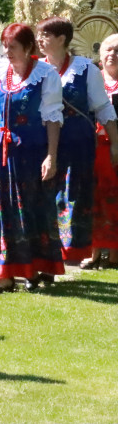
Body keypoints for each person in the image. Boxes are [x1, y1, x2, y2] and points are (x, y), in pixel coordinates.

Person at [0, 23, 63, 293]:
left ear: (27, 48)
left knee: (30, 208)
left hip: (30, 151)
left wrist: (51, 156)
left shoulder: (46, 74)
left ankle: (33, 269)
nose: (7, 51)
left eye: (12, 46)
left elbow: (52, 117)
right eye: (5, 45)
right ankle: (4, 274)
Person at [36, 17, 118, 263]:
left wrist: (115, 142)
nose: (39, 40)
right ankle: (47, 251)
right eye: (38, 35)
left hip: (76, 146)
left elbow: (103, 108)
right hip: (42, 145)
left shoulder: (85, 69)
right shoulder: (35, 70)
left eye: (45, 35)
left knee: (70, 198)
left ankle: (68, 250)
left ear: (62, 39)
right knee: (43, 197)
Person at [88, 33, 118, 268]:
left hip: (115, 149)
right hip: (93, 149)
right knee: (94, 199)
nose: (113, 54)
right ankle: (94, 250)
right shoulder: (91, 80)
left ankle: (115, 253)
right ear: (100, 54)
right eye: (108, 49)